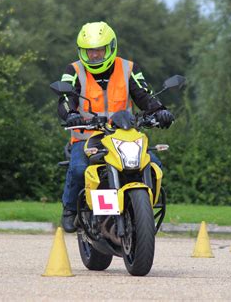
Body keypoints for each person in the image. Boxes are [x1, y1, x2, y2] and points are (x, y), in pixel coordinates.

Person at [57, 21, 174, 232]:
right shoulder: (73, 69)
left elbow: (144, 96)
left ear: (110, 47)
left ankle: (141, 209)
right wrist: (72, 114)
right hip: (87, 136)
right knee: (79, 169)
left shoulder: (128, 68)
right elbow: (65, 98)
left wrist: (159, 111)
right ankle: (70, 209)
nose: (94, 55)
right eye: (89, 51)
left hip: (124, 134)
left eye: (99, 50)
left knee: (153, 164)